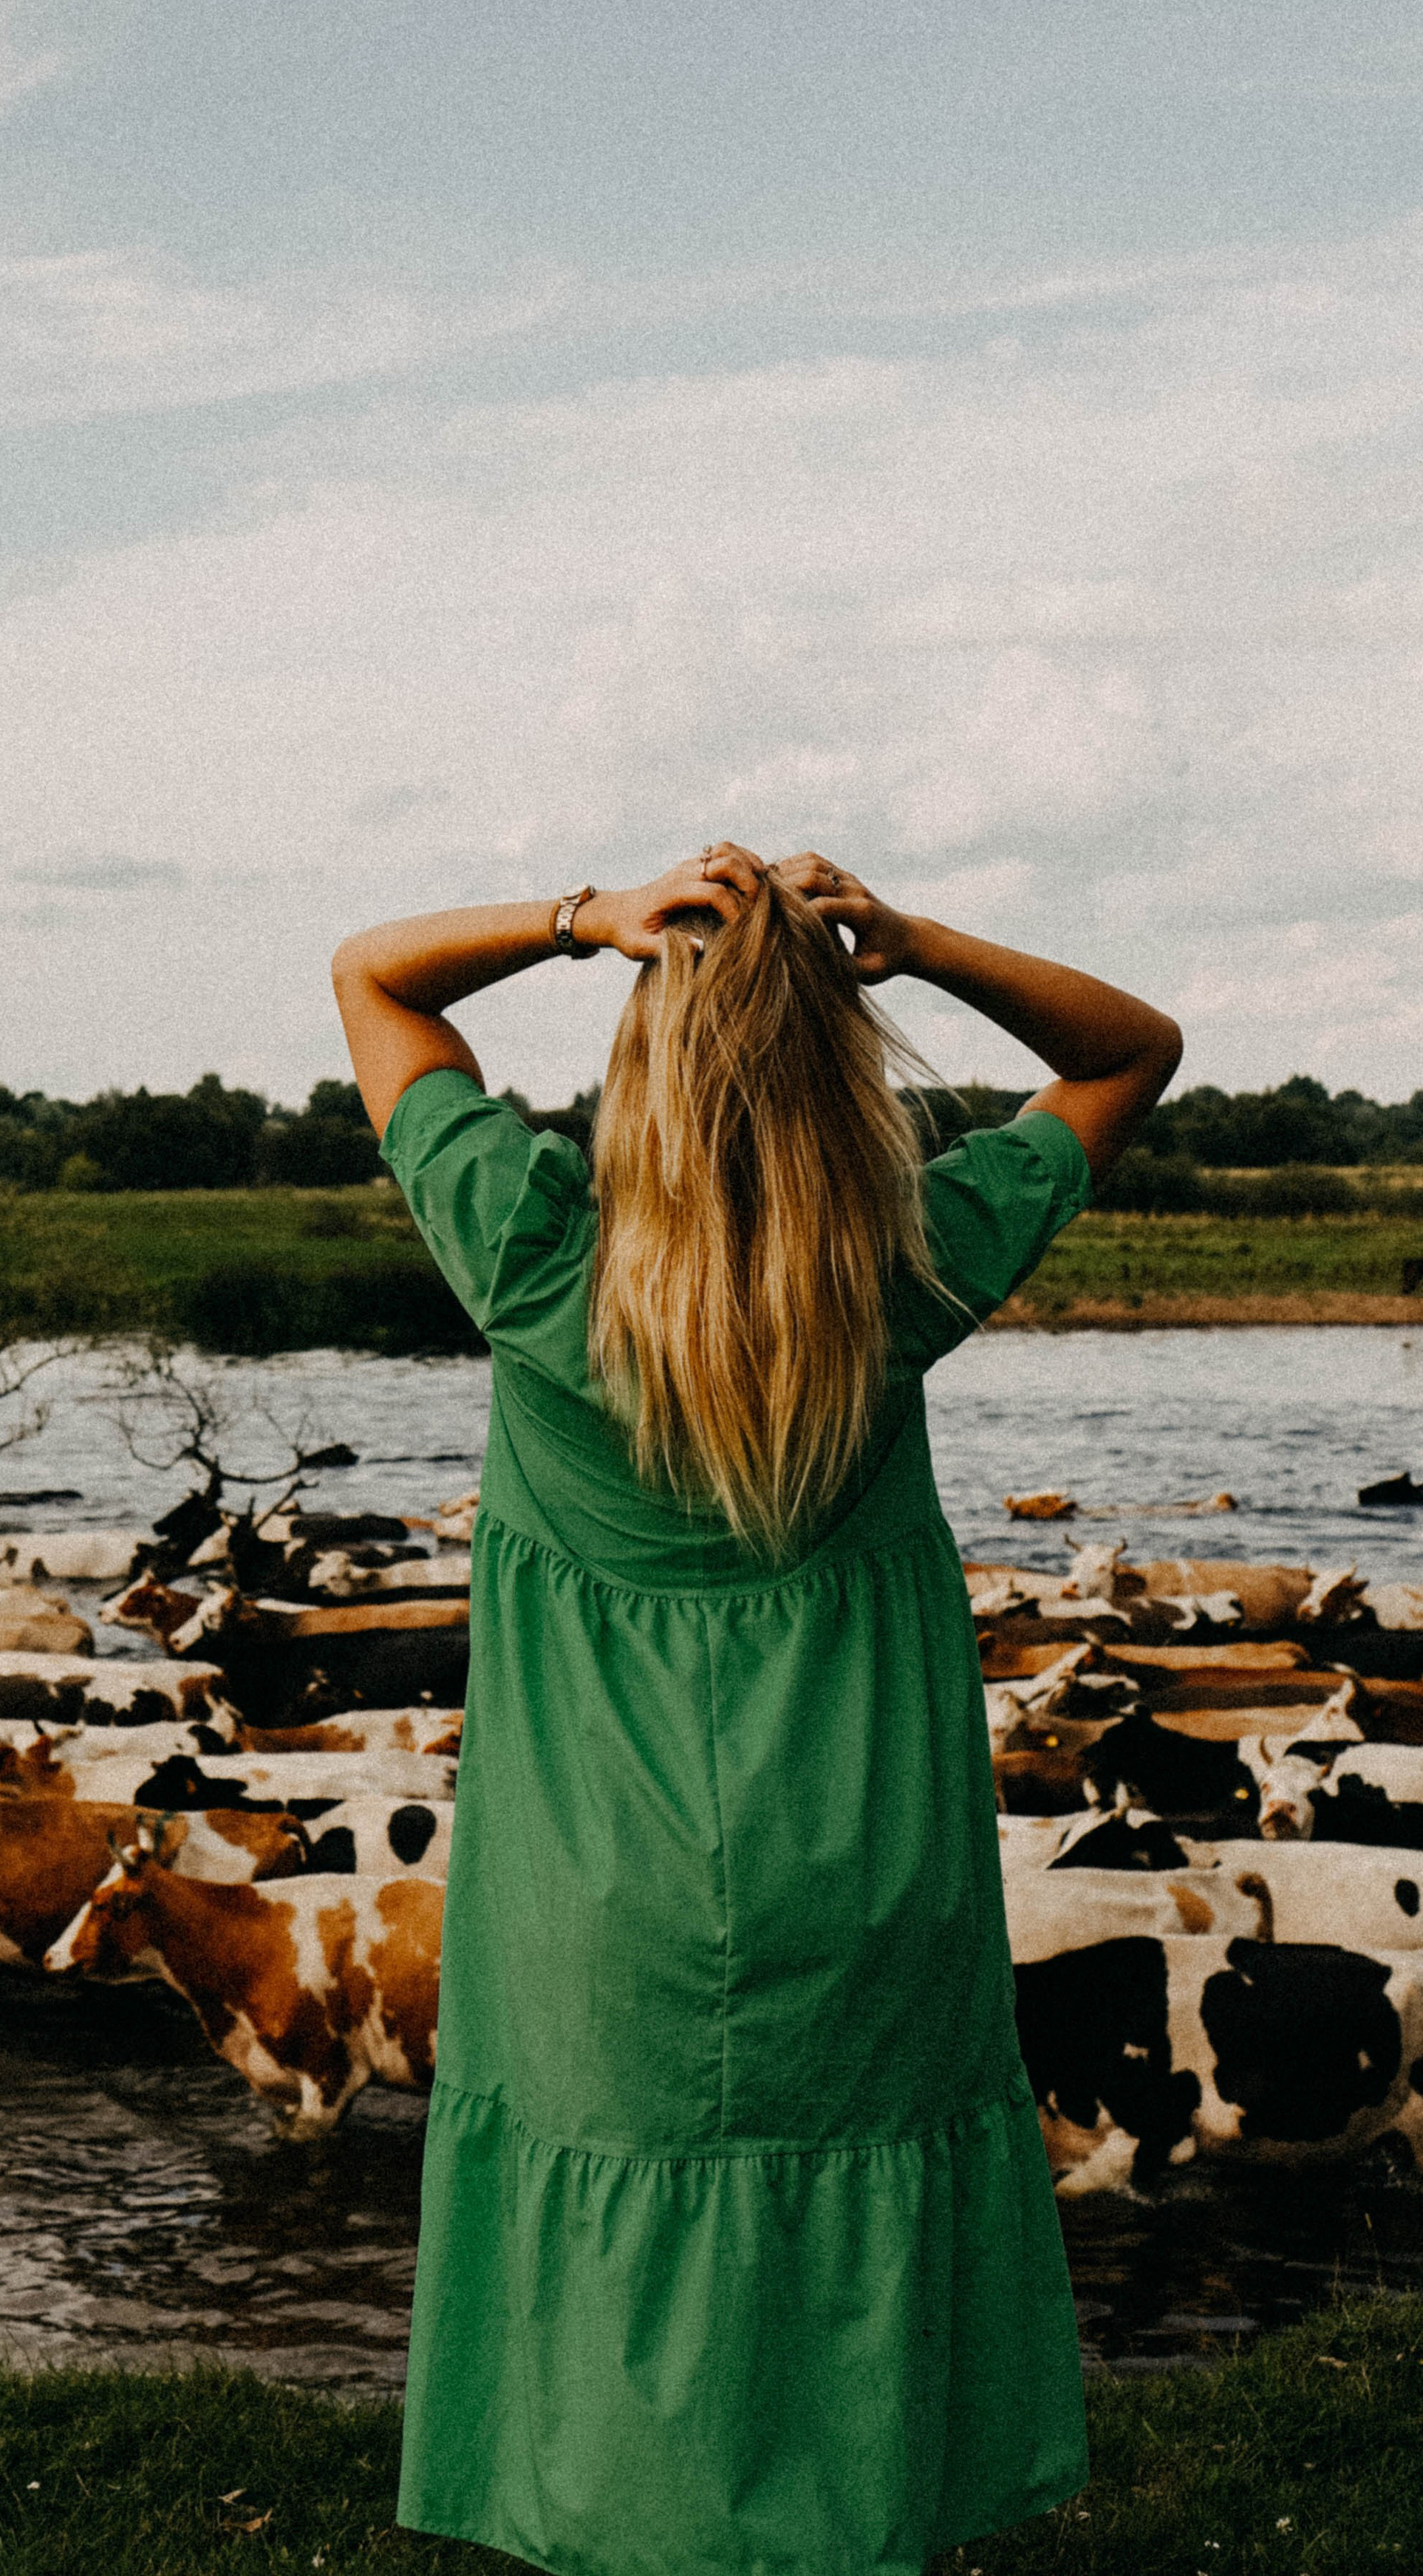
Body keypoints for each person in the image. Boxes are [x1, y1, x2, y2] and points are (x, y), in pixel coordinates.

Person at [331, 845, 1181, 2576]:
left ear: (636, 1071)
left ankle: (621, 2525)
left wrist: (587, 921)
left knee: (612, 2216)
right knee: (840, 2212)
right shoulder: (904, 1269)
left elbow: (374, 979)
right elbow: (1127, 1052)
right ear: (835, 1079)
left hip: (594, 1876)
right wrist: (913, 943)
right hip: (852, 1846)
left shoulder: (528, 1256)